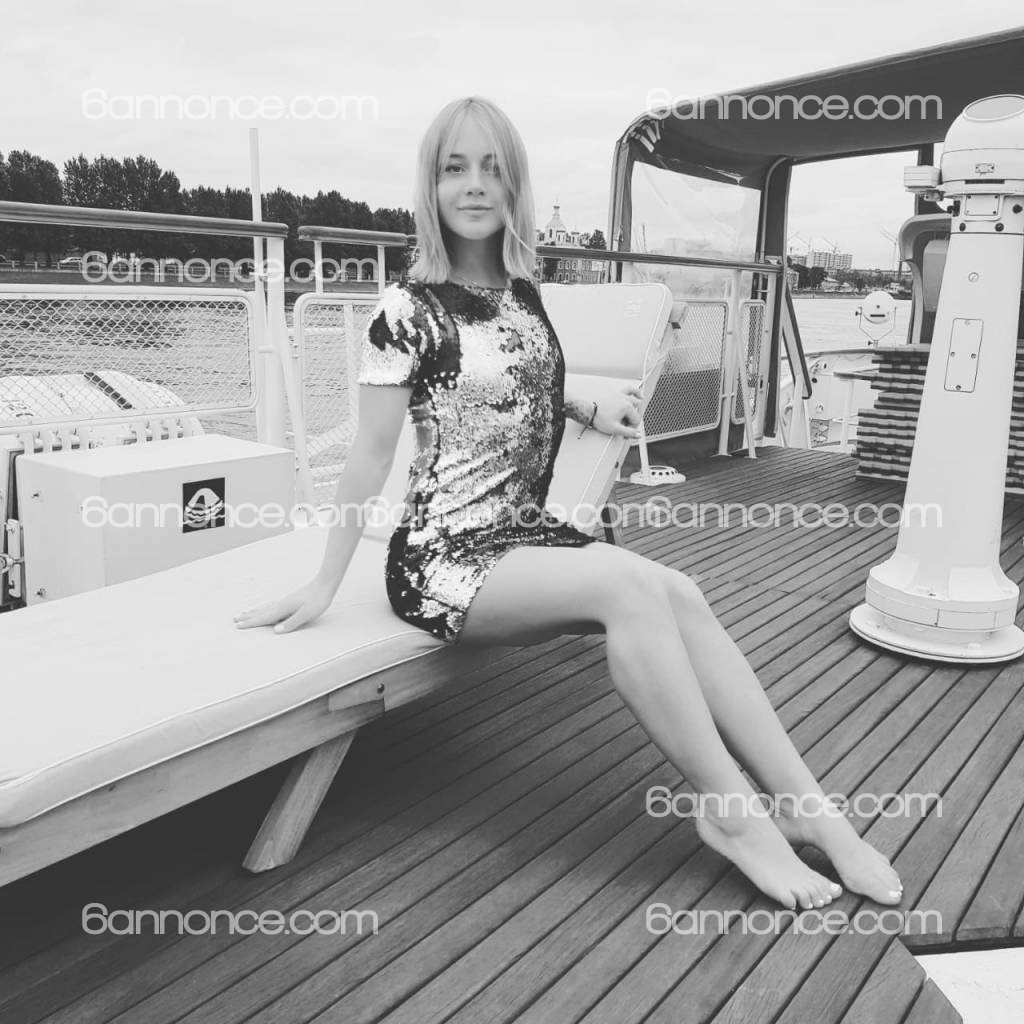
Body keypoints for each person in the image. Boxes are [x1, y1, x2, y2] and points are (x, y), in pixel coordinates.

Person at [235, 95, 903, 912]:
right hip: (444, 558)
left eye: (492, 169)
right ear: (430, 186)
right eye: (454, 168)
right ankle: (733, 816)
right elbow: (370, 455)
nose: (473, 185)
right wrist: (324, 582)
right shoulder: (404, 310)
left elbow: (518, 385)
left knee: (679, 591)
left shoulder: (522, 291)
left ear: (515, 186)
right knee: (627, 589)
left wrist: (585, 404)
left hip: (522, 534)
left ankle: (810, 812)